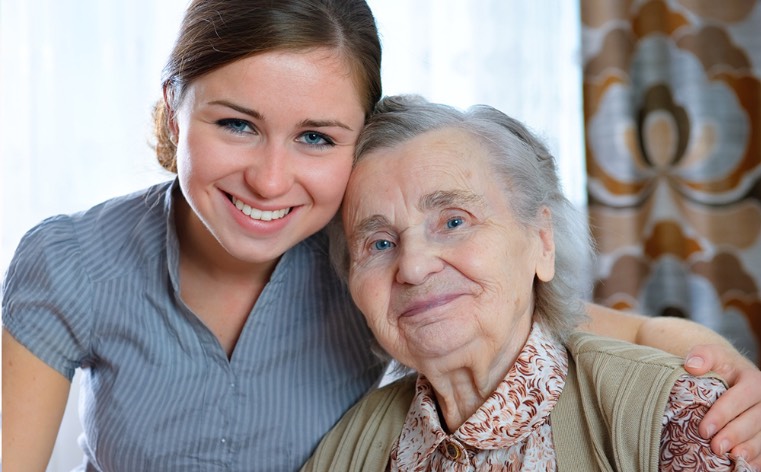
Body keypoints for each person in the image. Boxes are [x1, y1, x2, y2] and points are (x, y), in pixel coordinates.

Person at [1, 1, 760, 471]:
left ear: (357, 140)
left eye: (316, 138)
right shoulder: (70, 263)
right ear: (173, 111)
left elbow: (537, 318)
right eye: (236, 124)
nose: (270, 181)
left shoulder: (366, 256)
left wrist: (715, 367)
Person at [303, 95, 755, 471]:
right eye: (379, 244)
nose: (415, 267)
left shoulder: (682, 413)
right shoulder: (344, 451)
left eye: (454, 221)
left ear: (542, 241)